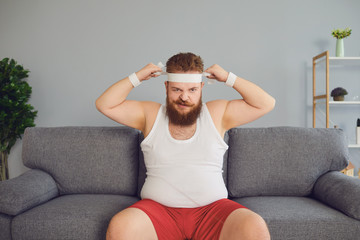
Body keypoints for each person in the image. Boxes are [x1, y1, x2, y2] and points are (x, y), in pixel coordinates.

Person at [96, 52, 275, 240]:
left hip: (213, 211)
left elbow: (266, 103)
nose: (184, 97)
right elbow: (105, 104)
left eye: (192, 90)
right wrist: (137, 77)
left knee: (255, 226)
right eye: (177, 90)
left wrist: (229, 78)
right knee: (120, 226)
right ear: (166, 87)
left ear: (201, 88)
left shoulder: (217, 113)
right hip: (157, 212)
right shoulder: (149, 114)